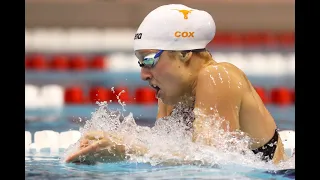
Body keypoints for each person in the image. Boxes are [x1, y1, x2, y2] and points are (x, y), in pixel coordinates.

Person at [65, 4, 287, 164]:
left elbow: (214, 163)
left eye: (149, 60)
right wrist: (108, 144)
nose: (143, 74)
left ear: (184, 54)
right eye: (140, 62)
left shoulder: (218, 77)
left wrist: (126, 150)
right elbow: (168, 157)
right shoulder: (172, 94)